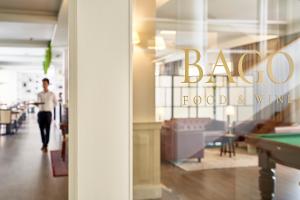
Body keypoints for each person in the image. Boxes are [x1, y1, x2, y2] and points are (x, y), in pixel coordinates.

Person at [36, 78, 57, 153]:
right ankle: (44, 144)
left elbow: (55, 103)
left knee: (47, 130)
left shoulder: (52, 94)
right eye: (43, 83)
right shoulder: (39, 94)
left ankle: (46, 145)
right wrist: (37, 104)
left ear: (48, 84)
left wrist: (50, 107)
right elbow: (38, 103)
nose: (44, 85)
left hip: (48, 113)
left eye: (45, 83)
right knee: (41, 130)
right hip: (41, 113)